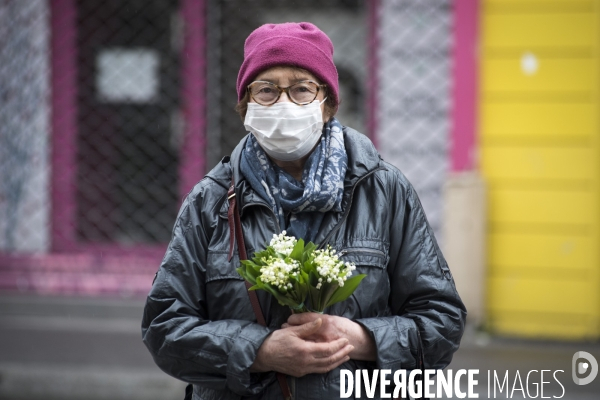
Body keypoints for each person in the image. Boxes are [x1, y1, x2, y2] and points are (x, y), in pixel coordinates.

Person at [142, 22, 466, 399]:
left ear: (327, 103)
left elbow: (441, 322)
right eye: (266, 90)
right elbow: (164, 328)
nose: (283, 103)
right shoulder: (210, 200)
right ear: (246, 105)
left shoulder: (383, 191)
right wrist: (261, 351)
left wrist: (360, 339)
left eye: (301, 88)